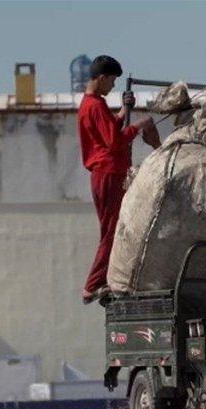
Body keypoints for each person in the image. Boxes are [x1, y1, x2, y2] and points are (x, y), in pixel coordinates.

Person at [78, 54, 157, 304]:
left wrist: (123, 112)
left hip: (105, 173)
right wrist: (141, 125)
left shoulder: (90, 104)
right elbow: (114, 142)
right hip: (109, 172)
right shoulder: (96, 105)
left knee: (111, 228)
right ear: (101, 78)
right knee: (112, 230)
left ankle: (100, 280)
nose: (113, 86)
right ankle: (92, 284)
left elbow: (108, 132)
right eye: (111, 81)